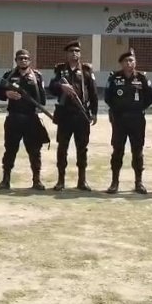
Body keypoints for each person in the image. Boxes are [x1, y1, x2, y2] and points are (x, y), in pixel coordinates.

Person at [0, 49, 48, 190]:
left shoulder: (37, 76)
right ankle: (5, 180)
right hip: (14, 117)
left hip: (31, 118)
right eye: (20, 58)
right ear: (16, 60)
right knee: (10, 150)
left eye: (26, 58)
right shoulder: (9, 75)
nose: (23, 60)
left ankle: (36, 180)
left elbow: (43, 99)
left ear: (30, 60)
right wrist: (7, 93)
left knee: (34, 151)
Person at [48, 40, 98, 191]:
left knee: (82, 148)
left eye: (77, 51)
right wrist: (61, 86)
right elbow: (51, 88)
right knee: (62, 148)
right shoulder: (60, 70)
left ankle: (82, 181)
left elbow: (93, 92)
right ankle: (60, 181)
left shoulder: (86, 70)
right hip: (65, 114)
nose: (74, 53)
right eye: (71, 51)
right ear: (67, 54)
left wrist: (94, 112)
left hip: (81, 114)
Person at [104, 48, 152, 194]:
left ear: (135, 62)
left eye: (131, 60)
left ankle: (139, 182)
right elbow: (108, 97)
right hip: (119, 120)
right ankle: (114, 182)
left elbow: (149, 97)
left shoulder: (142, 78)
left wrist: (138, 108)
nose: (129, 63)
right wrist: (117, 109)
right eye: (126, 61)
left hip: (137, 119)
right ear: (121, 63)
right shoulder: (114, 78)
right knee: (117, 151)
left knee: (137, 151)